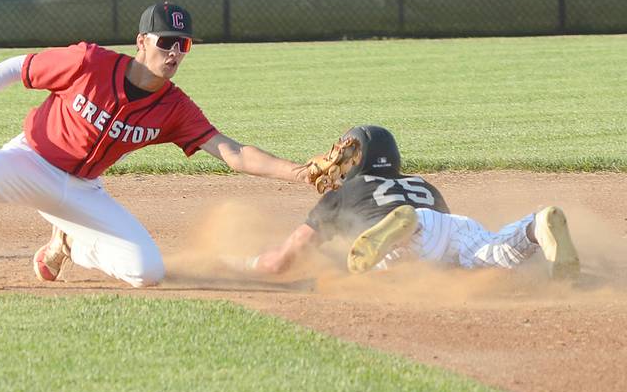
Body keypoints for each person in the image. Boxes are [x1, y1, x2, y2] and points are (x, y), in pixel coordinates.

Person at [0, 2, 310, 288]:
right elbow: (18, 67)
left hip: (83, 189)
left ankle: (70, 243)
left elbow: (233, 153)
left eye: (185, 45)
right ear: (142, 42)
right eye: (167, 43)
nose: (175, 52)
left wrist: (300, 171)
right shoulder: (89, 62)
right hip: (31, 160)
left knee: (147, 272)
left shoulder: (175, 107)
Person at [239, 125, 580, 279]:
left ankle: (399, 229)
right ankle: (534, 228)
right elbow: (443, 249)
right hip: (448, 223)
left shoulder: (342, 194)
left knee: (371, 268)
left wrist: (246, 263)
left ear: (357, 161)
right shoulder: (422, 184)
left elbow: (283, 261)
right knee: (489, 252)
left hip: (406, 236)